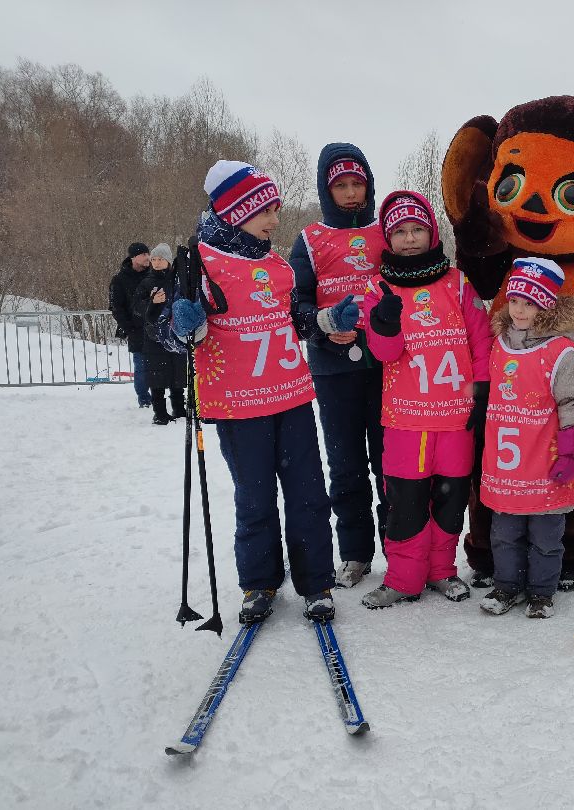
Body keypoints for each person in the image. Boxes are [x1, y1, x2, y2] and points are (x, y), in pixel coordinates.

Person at [169, 160, 336, 625]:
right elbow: (173, 330)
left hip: (292, 397)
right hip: (239, 405)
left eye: (275, 209)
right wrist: (188, 327)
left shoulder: (277, 264)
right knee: (255, 496)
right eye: (264, 210)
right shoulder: (199, 262)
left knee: (307, 493)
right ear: (235, 211)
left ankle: (316, 580)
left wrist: (325, 321)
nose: (273, 219)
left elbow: (292, 321)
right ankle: (259, 582)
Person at [359, 191, 493, 609]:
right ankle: (402, 578)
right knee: (406, 501)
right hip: (405, 419)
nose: (410, 238)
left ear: (431, 233)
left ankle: (441, 571)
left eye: (417, 229)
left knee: (451, 499)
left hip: (456, 416)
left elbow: (480, 336)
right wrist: (383, 323)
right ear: (388, 238)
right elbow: (383, 353)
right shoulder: (378, 286)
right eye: (400, 232)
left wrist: (484, 385)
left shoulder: (457, 282)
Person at [290, 144, 388, 588]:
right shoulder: (310, 240)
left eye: (357, 184)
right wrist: (323, 326)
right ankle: (354, 552)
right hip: (333, 369)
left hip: (388, 366)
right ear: (326, 190)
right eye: (341, 186)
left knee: (391, 463)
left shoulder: (386, 231)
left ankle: (400, 548)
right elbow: (298, 304)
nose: (350, 193)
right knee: (345, 463)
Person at [478, 258, 574, 619]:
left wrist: (573, 445)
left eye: (529, 303)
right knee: (505, 532)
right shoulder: (499, 343)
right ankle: (507, 586)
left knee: (545, 537)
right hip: (507, 461)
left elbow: (573, 399)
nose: (519, 310)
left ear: (545, 305)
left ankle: (542, 593)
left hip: (545, 458)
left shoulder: (561, 350)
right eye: (515, 301)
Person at [133, 244, 186, 425]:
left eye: (160, 259)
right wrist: (152, 302)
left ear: (168, 261)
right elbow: (137, 307)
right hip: (154, 336)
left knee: (177, 372)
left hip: (174, 333)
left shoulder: (176, 280)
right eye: (154, 259)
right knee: (157, 376)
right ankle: (160, 412)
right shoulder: (146, 282)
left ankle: (179, 408)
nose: (156, 263)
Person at [109, 242, 152, 407]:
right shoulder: (119, 280)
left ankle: (160, 396)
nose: (147, 257)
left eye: (148, 253)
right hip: (136, 329)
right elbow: (116, 307)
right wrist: (128, 327)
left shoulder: (153, 275)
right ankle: (144, 399)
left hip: (155, 327)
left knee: (158, 365)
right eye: (143, 254)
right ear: (133, 257)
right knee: (141, 366)